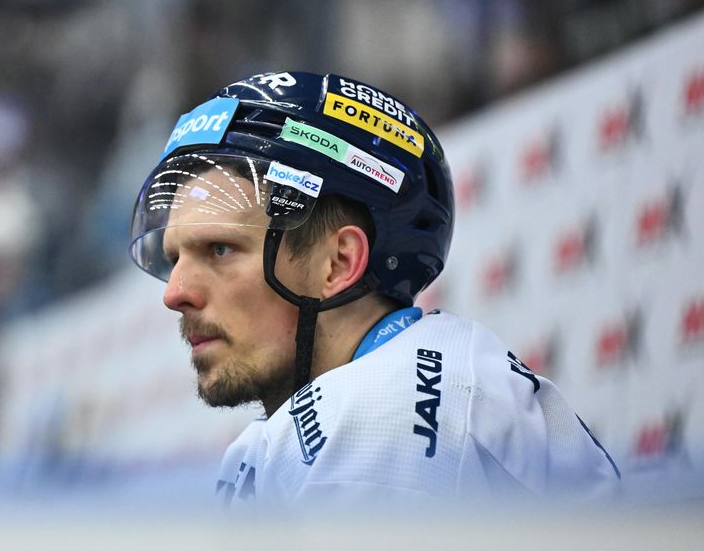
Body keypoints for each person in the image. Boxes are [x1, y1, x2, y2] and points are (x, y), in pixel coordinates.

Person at [128, 71, 620, 504]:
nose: (175, 293)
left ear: (338, 263)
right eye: (174, 260)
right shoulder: (323, 419)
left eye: (220, 249)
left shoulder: (387, 414)